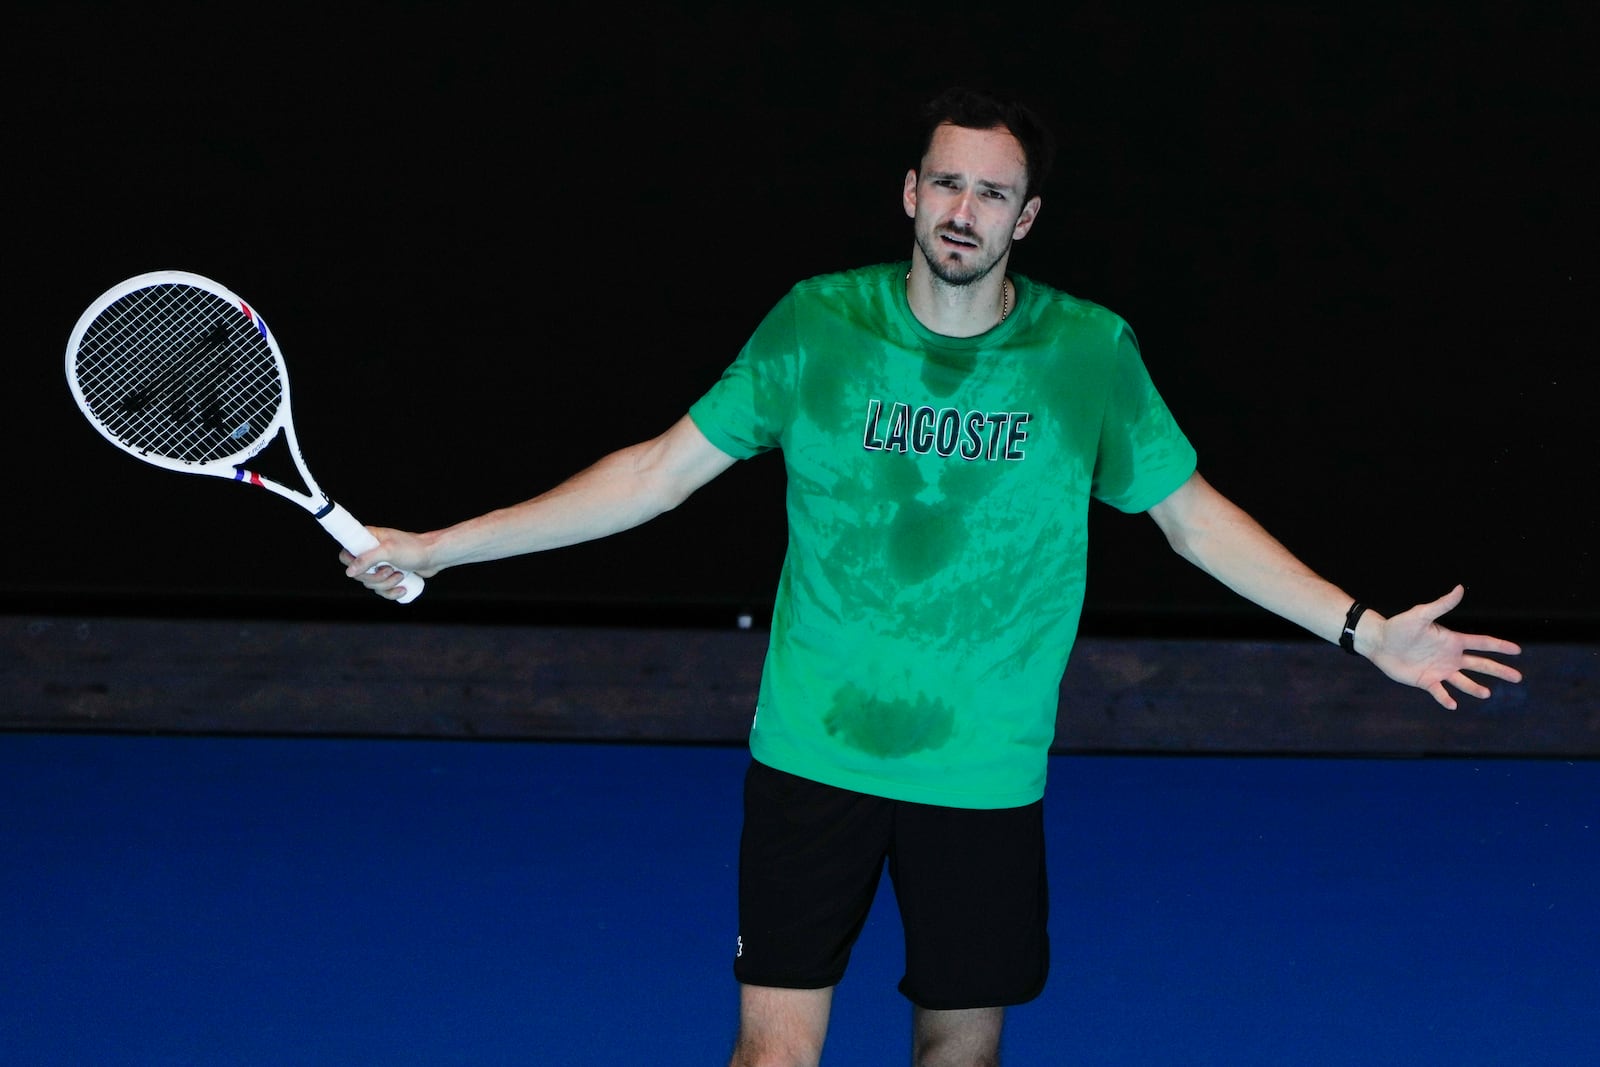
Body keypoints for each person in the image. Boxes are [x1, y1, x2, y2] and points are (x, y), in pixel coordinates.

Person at [342, 87, 1523, 1067]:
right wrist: (440, 544)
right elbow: (653, 473)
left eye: (992, 192)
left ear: (1028, 217)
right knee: (769, 1057)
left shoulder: (1086, 353)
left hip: (983, 770)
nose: (964, 209)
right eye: (946, 183)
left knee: (956, 1056)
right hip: (813, 749)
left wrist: (1363, 628)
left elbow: (1195, 521)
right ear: (912, 192)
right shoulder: (817, 323)